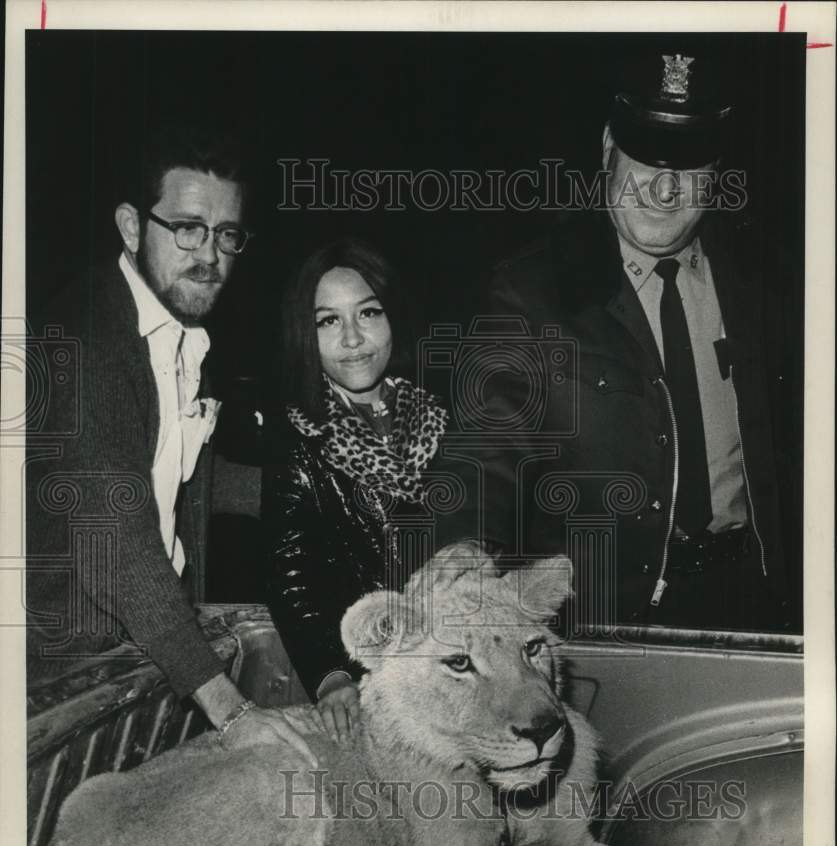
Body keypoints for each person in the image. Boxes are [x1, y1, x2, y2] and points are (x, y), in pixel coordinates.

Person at [435, 51, 797, 634]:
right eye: (647, 159)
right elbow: (486, 445)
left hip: (757, 601)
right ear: (607, 148)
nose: (665, 188)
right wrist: (464, 546)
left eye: (689, 164)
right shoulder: (533, 290)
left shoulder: (773, 281)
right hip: (606, 616)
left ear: (718, 172)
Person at [26, 124, 316, 761]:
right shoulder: (83, 339)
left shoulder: (185, 335)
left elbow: (187, 479)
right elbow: (118, 546)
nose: (208, 254)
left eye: (226, 235)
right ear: (132, 228)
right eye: (186, 227)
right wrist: (230, 709)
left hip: (142, 654)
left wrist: (319, 480)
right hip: (59, 683)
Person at [262, 238, 448, 741]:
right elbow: (292, 571)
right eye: (328, 321)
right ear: (306, 334)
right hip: (365, 670)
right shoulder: (299, 438)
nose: (352, 339)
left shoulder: (443, 418)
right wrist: (331, 675)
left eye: (368, 313)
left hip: (451, 661)